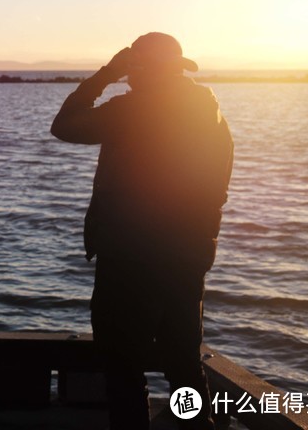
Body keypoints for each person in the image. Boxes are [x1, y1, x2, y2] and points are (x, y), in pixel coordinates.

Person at [50, 33, 233, 430]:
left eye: (133, 70)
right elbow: (217, 188)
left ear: (143, 70)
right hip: (187, 256)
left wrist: (106, 74)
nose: (130, 77)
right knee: (184, 364)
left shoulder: (131, 110)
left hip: (129, 257)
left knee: (122, 366)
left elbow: (63, 125)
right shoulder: (209, 111)